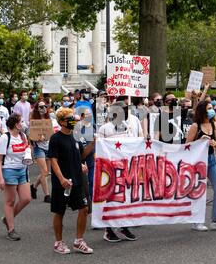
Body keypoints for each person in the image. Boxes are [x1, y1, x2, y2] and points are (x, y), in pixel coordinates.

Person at [48, 108, 94, 254]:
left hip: (77, 180)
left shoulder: (76, 136)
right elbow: (53, 161)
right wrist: (61, 178)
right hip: (62, 183)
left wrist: (93, 143)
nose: (73, 121)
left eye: (73, 118)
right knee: (59, 212)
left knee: (84, 209)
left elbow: (82, 154)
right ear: (61, 122)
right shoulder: (56, 138)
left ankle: (79, 241)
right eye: (69, 119)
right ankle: (58, 243)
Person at [98, 99, 142, 242]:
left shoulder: (127, 128)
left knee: (126, 198)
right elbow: (99, 149)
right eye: (123, 110)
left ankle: (123, 226)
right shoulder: (105, 128)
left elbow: (133, 146)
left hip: (126, 168)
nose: (125, 112)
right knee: (111, 198)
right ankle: (109, 229)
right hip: (110, 169)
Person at [186, 101, 216, 231]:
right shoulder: (196, 126)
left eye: (212, 108)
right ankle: (196, 221)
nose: (212, 110)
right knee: (199, 191)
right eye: (210, 108)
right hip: (198, 162)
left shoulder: (213, 124)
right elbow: (187, 145)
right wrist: (200, 141)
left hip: (211, 160)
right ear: (203, 111)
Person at [0, 113, 32, 241]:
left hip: (23, 169)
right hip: (9, 170)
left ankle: (7, 218)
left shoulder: (23, 136)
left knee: (26, 198)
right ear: (16, 124)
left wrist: (28, 152)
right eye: (21, 122)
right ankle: (11, 229)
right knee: (10, 201)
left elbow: (27, 148)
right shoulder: (5, 138)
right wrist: (0, 178)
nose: (23, 124)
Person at [29, 101, 52, 203]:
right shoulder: (34, 121)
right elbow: (31, 135)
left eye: (44, 106)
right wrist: (38, 137)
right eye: (40, 106)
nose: (43, 108)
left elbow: (52, 132)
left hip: (49, 147)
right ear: (37, 108)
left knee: (46, 172)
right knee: (44, 171)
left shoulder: (49, 119)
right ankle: (47, 195)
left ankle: (33, 187)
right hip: (39, 147)